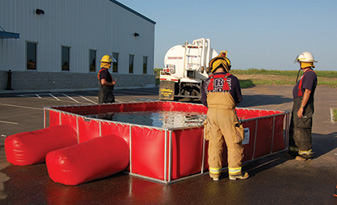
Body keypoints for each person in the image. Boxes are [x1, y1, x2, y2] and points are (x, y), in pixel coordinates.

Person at [201, 51, 248, 181]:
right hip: (227, 114)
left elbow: (204, 101)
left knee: (214, 144)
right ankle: (234, 173)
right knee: (234, 143)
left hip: (211, 115)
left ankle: (214, 174)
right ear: (226, 66)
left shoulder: (207, 81)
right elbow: (238, 98)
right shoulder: (232, 79)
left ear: (213, 67)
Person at [288, 51, 317, 161]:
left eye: (300, 62)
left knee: (302, 128)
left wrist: (302, 107)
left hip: (303, 104)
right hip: (298, 103)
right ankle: (294, 150)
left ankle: (305, 154)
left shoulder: (310, 75)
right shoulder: (306, 74)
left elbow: (307, 91)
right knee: (295, 126)